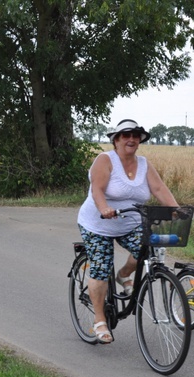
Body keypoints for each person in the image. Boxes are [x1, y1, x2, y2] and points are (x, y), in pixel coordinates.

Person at [76, 119, 179, 344]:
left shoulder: (144, 164)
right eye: (125, 135)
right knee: (101, 267)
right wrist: (104, 208)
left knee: (147, 249)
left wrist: (176, 210)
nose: (131, 139)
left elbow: (159, 189)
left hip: (130, 223)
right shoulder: (105, 160)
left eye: (135, 135)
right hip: (98, 223)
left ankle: (123, 275)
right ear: (116, 139)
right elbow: (97, 189)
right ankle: (100, 319)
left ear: (140, 140)